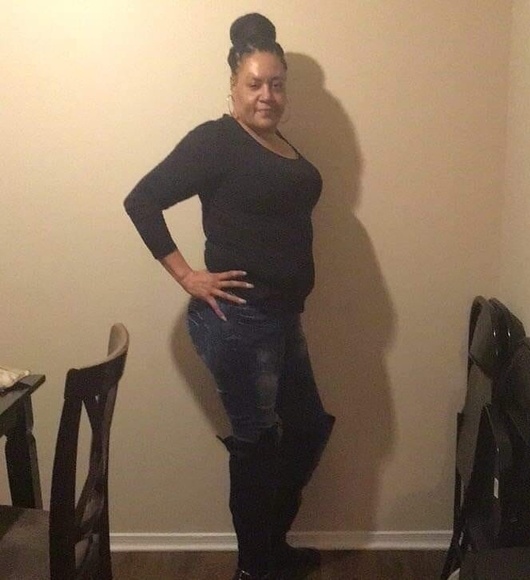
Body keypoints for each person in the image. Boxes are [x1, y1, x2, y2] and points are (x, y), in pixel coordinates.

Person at [124, 13, 334, 580]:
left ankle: (269, 548)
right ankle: (256, 567)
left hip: (282, 317)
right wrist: (187, 275)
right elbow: (141, 200)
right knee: (257, 444)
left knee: (305, 428)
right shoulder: (216, 140)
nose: (267, 95)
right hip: (241, 321)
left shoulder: (277, 141)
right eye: (255, 83)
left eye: (277, 84)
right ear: (234, 86)